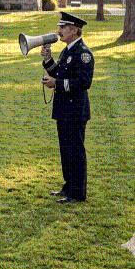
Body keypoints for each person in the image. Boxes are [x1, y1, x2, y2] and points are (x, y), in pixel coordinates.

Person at [41, 11, 94, 204]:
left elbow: (84, 82)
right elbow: (60, 73)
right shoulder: (68, 51)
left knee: (75, 152)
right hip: (64, 109)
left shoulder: (84, 54)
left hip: (75, 111)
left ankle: (77, 193)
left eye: (63, 27)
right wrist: (48, 60)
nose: (59, 31)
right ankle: (68, 186)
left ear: (74, 30)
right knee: (66, 150)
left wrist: (57, 84)